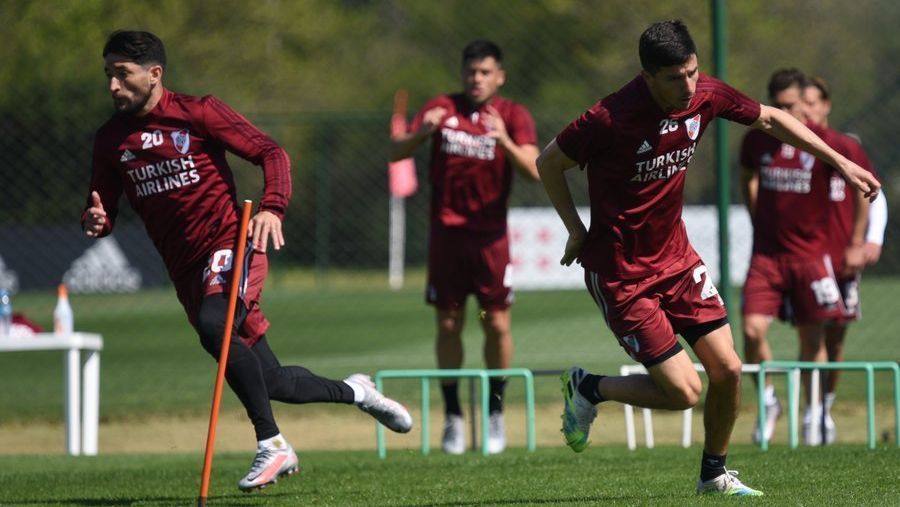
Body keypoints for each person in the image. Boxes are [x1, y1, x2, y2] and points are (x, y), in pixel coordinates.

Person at [536, 20, 879, 496]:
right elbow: (549, 162)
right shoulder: (609, 117)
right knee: (683, 393)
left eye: (693, 73)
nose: (689, 86)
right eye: (675, 78)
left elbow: (771, 118)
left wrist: (839, 161)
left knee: (729, 370)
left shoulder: (706, 96)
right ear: (648, 76)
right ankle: (589, 388)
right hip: (621, 272)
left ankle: (713, 475)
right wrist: (576, 229)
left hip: (677, 260)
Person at [83, 31, 412, 492]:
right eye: (108, 76)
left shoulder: (197, 111)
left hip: (230, 243)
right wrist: (96, 219)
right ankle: (358, 390)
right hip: (185, 271)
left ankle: (272, 443)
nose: (113, 86)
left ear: (155, 74)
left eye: (123, 74)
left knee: (214, 326)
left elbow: (271, 152)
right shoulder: (110, 140)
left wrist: (273, 207)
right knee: (272, 379)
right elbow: (103, 205)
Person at [389, 40, 540, 454]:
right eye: (471, 71)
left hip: (490, 239)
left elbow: (534, 171)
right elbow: (394, 151)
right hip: (447, 237)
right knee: (449, 323)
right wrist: (422, 133)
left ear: (499, 77)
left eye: (485, 72)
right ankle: (454, 415)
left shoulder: (512, 115)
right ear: (463, 74)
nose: (477, 79)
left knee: (496, 323)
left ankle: (494, 412)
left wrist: (505, 141)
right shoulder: (441, 107)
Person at [740, 69, 869, 446]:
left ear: (804, 103)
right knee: (750, 331)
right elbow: (747, 175)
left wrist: (859, 239)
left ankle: (815, 414)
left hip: (811, 256)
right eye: (776, 106)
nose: (784, 113)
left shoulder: (828, 143)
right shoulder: (755, 142)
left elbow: (861, 185)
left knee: (814, 341)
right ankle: (768, 401)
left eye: (791, 106)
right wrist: (754, 213)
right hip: (766, 255)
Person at [801, 76, 887, 444]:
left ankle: (825, 408)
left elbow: (874, 193)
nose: (805, 109)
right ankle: (810, 412)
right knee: (811, 335)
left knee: (836, 340)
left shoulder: (845, 148)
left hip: (843, 260)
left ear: (826, 105)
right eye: (797, 102)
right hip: (808, 260)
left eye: (811, 102)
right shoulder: (791, 152)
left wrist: (868, 240)